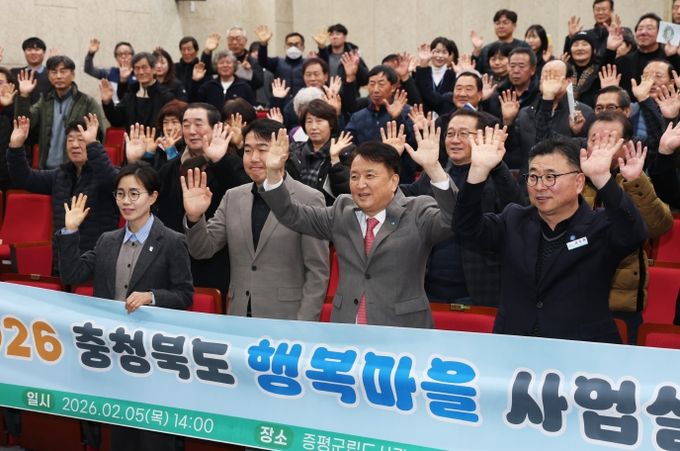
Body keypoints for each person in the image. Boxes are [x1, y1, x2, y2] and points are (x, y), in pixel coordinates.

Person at [260, 120, 457, 328]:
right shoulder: (342, 210)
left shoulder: (417, 212)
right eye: (354, 176)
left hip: (402, 329)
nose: (360, 184)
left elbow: (453, 222)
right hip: (347, 329)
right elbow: (291, 215)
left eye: (370, 176)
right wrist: (273, 173)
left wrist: (434, 169)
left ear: (393, 181)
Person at [454, 131, 647, 343]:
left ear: (579, 182)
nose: (539, 186)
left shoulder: (600, 226)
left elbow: (634, 234)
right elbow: (465, 228)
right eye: (533, 177)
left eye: (550, 177)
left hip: (582, 348)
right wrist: (478, 172)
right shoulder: (513, 220)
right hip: (515, 345)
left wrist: (602, 178)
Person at [56, 161, 193, 451]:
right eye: (120, 194)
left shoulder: (172, 241)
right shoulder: (107, 240)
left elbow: (184, 294)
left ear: (152, 197)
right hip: (114, 353)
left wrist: (152, 296)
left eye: (134, 194)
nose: (126, 201)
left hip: (154, 357)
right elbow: (72, 275)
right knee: (121, 436)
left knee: (153, 439)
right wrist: (70, 231)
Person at [183, 118, 329, 320]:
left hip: (287, 318)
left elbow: (317, 271)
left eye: (262, 149)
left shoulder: (309, 198)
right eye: (248, 150)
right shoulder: (233, 197)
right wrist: (194, 217)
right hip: (239, 315)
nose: (254, 158)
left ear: (283, 152)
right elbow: (202, 250)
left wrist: (305, 324)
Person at [400, 109, 523, 306]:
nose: (455, 140)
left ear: (481, 138)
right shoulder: (434, 172)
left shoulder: (496, 176)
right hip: (429, 289)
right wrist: (388, 162)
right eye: (450, 133)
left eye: (464, 134)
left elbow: (518, 208)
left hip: (478, 289)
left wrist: (497, 166)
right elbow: (398, 196)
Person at [582, 111, 672, 343]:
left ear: (627, 145)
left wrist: (635, 181)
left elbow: (659, 226)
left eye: (610, 139)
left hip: (621, 301)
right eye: (594, 139)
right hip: (574, 296)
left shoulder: (634, 180)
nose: (601, 146)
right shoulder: (573, 180)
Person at [7, 114, 118, 272]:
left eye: (81, 139)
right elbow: (24, 179)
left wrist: (93, 146)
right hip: (62, 261)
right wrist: (16, 147)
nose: (74, 145)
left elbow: (112, 182)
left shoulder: (108, 175)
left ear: (95, 143)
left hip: (96, 263)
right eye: (70, 140)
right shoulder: (60, 175)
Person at [15, 55, 105, 169]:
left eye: (63, 71)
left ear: (73, 75)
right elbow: (24, 124)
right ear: (48, 76)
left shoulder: (87, 102)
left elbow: (98, 136)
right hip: (47, 169)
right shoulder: (44, 101)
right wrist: (24, 95)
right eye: (54, 72)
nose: (58, 76)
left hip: (76, 169)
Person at [345, 65, 418, 183]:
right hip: (366, 178)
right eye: (371, 84)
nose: (375, 89)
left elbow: (413, 144)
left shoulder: (407, 111)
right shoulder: (358, 117)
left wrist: (397, 118)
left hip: (400, 179)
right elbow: (347, 144)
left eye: (381, 84)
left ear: (393, 87)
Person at [288, 99, 352, 205]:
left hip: (328, 211)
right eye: (309, 121)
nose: (313, 127)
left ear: (331, 124)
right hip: (296, 209)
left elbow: (346, 192)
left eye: (319, 121)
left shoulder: (345, 151)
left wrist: (335, 160)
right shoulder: (295, 150)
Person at [101, 52, 174, 129]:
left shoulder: (165, 96)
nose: (141, 72)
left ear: (154, 70)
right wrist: (107, 102)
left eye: (144, 67)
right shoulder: (130, 93)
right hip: (132, 136)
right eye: (137, 68)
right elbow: (116, 121)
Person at [471, 9, 531, 76]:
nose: (501, 26)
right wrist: (476, 50)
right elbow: (476, 72)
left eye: (505, 23)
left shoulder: (523, 47)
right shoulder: (486, 49)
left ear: (514, 26)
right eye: (497, 23)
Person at [190, 50, 255, 109]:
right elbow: (194, 103)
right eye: (221, 63)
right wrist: (195, 81)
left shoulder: (244, 87)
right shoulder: (208, 86)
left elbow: (251, 109)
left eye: (228, 63)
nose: (225, 65)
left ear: (234, 65)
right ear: (216, 66)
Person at [255, 26, 306, 99]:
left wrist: (321, 48)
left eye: (296, 44)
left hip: (303, 101)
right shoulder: (277, 62)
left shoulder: (308, 64)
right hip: (281, 101)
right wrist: (263, 45)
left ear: (303, 47)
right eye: (290, 44)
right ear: (285, 47)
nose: (293, 47)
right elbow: (262, 62)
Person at [84, 39, 136, 104]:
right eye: (120, 54)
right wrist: (90, 54)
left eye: (126, 53)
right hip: (115, 108)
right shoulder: (110, 72)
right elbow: (89, 69)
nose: (123, 56)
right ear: (116, 58)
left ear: (133, 56)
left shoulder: (139, 73)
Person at [10, 37, 51, 104]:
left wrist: (54, 66)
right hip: (19, 110)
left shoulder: (51, 74)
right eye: (29, 50)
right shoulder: (14, 73)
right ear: (24, 52)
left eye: (37, 49)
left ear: (44, 52)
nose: (33, 52)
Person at [226, 26, 265, 92]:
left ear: (245, 41)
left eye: (238, 39)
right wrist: (208, 52)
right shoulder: (222, 60)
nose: (234, 42)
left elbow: (259, 83)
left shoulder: (253, 61)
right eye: (231, 39)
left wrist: (249, 72)